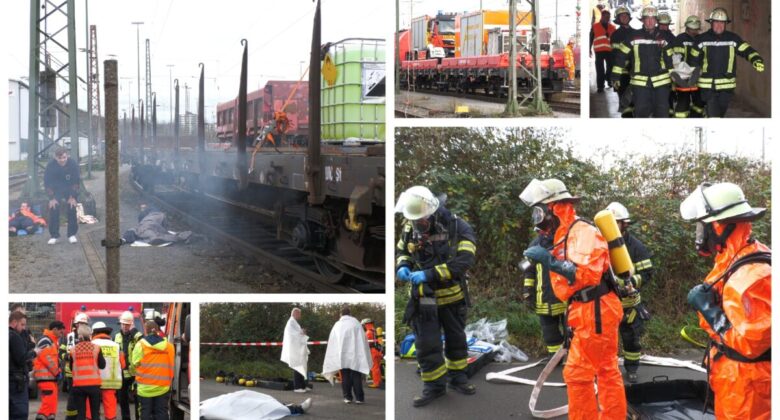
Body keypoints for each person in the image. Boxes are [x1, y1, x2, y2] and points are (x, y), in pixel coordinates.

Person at [520, 178, 626, 419]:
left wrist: (550, 261)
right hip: (588, 307)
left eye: (539, 212)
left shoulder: (583, 231)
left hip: (594, 308)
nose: (538, 219)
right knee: (606, 370)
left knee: (578, 374)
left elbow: (587, 274)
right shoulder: (565, 234)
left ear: (554, 208)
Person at [681, 182, 770, 419]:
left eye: (703, 227)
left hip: (749, 388)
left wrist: (709, 310)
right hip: (735, 380)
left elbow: (752, 344)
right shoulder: (737, 258)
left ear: (720, 227)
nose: (700, 235)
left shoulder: (751, 275)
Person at [394, 186, 477, 407]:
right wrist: (402, 265)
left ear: (431, 213)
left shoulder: (458, 227)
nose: (418, 224)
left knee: (456, 341)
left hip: (452, 297)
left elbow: (464, 261)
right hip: (424, 299)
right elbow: (402, 251)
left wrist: (429, 274)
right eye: (415, 220)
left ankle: (458, 378)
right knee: (426, 344)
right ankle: (434, 387)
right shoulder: (410, 228)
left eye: (422, 220)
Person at [606, 202, 654, 383]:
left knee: (631, 339)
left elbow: (648, 273)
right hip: (606, 303)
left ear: (624, 224)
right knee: (604, 341)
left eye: (614, 222)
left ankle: (632, 369)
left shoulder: (636, 247)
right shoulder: (600, 244)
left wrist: (630, 282)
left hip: (629, 304)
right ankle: (605, 371)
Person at [692, 8, 765, 117]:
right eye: (716, 22)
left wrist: (756, 59)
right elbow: (693, 60)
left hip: (727, 86)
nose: (719, 25)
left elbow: (746, 50)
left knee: (720, 114)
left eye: (722, 23)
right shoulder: (701, 39)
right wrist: (693, 75)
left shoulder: (733, 39)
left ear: (725, 24)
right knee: (714, 116)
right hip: (708, 86)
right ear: (711, 23)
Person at [611, 6, 674, 117]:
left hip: (662, 84)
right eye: (647, 18)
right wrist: (615, 76)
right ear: (642, 20)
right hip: (640, 85)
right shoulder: (633, 36)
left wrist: (674, 78)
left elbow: (669, 60)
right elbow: (621, 56)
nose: (650, 22)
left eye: (653, 19)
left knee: (662, 113)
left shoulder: (664, 37)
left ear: (656, 21)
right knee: (641, 114)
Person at [523, 229, 567, 357]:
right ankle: (555, 357)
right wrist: (527, 291)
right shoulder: (534, 245)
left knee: (571, 329)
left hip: (564, 297)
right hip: (543, 296)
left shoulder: (564, 241)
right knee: (549, 331)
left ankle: (573, 356)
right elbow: (528, 271)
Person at [322, 306, 373, 405]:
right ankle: (359, 398)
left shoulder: (337, 325)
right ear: (350, 313)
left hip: (342, 356)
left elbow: (333, 342)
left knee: (345, 376)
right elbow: (363, 340)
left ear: (341, 314)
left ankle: (347, 397)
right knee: (356, 376)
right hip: (355, 355)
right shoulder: (356, 323)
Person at [132, 320, 175, 420]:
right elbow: (171, 363)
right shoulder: (169, 346)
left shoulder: (140, 345)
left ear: (145, 331)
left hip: (145, 388)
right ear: (157, 330)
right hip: (163, 387)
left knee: (145, 413)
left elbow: (135, 363)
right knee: (162, 413)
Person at [44, 147, 81, 244]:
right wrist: (51, 198)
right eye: (60, 158)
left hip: (70, 188)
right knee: (53, 207)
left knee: (72, 207)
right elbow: (47, 183)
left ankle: (71, 234)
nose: (62, 160)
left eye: (64, 157)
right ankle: (54, 235)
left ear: (67, 155)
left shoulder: (73, 164)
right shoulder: (50, 166)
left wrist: (72, 196)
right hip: (56, 190)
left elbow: (76, 181)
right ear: (55, 158)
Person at [69, 324, 106, 420]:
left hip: (78, 386)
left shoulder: (73, 350)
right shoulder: (96, 348)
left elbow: (70, 368)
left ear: (79, 335)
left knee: (81, 414)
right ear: (90, 335)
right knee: (95, 414)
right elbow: (102, 365)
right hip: (94, 385)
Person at [670, 16, 704, 118]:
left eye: (695, 29)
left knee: (699, 102)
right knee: (683, 102)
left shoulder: (701, 39)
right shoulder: (680, 39)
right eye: (691, 29)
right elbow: (676, 59)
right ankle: (681, 125)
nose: (694, 31)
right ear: (687, 27)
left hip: (698, 76)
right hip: (683, 77)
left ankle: (695, 121)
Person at [10, 310, 41, 420]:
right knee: (19, 414)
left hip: (13, 380)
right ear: (14, 322)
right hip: (16, 382)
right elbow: (21, 359)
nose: (24, 328)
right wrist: (35, 352)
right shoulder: (14, 336)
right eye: (22, 324)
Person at [200, 390, 312, 419]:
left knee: (244, 395)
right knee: (245, 406)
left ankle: (283, 405)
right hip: (214, 409)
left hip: (211, 404)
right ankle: (294, 409)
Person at [33, 320, 66, 420]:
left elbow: (52, 359)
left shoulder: (51, 341)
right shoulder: (45, 340)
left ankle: (49, 416)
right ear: (55, 329)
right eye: (61, 332)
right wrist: (57, 372)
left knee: (51, 403)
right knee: (48, 403)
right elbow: (47, 359)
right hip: (46, 377)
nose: (62, 334)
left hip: (49, 377)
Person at [92, 322, 124, 420]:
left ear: (94, 333)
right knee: (110, 405)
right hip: (111, 382)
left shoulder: (91, 344)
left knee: (92, 405)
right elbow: (123, 365)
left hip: (94, 381)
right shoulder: (116, 346)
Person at [115, 311, 142, 420]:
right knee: (122, 401)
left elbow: (144, 343)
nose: (125, 326)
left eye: (127, 324)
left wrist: (135, 332)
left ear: (131, 324)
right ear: (120, 324)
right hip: (122, 373)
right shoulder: (117, 336)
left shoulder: (137, 336)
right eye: (123, 324)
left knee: (137, 401)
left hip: (135, 374)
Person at [609, 6, 635, 117]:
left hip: (636, 73)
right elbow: (615, 56)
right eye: (621, 16)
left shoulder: (636, 32)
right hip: (622, 73)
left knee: (636, 100)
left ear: (629, 17)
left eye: (626, 15)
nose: (624, 17)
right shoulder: (616, 35)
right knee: (625, 101)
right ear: (618, 19)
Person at [280, 308, 310, 393]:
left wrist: (302, 332)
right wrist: (302, 332)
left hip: (298, 348)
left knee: (301, 366)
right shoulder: (291, 322)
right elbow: (293, 335)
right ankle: (297, 387)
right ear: (295, 313)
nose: (300, 316)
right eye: (299, 314)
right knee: (297, 367)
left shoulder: (294, 323)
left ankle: (303, 386)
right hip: (295, 349)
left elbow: (297, 333)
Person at [590, 10, 616, 92]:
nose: (607, 19)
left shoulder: (612, 27)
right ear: (602, 16)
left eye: (608, 17)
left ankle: (609, 80)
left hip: (610, 50)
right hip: (599, 50)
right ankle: (600, 86)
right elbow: (590, 38)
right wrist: (588, 49)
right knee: (600, 69)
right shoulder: (595, 26)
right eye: (605, 17)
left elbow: (615, 40)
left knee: (611, 67)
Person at [361, 318, 383, 388]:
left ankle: (376, 383)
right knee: (377, 367)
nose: (363, 326)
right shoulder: (374, 330)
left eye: (363, 325)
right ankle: (379, 381)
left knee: (374, 368)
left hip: (373, 351)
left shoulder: (368, 332)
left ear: (366, 324)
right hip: (378, 351)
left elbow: (365, 343)